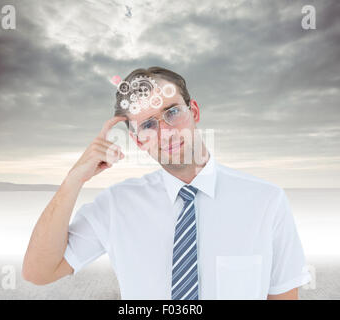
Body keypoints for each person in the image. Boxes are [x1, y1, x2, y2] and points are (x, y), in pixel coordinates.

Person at [22, 66, 311, 300]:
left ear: (194, 112)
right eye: (148, 125)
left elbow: (282, 295)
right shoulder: (116, 205)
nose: (166, 131)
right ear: (138, 140)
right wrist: (73, 180)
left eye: (172, 112)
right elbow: (39, 272)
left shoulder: (266, 200)